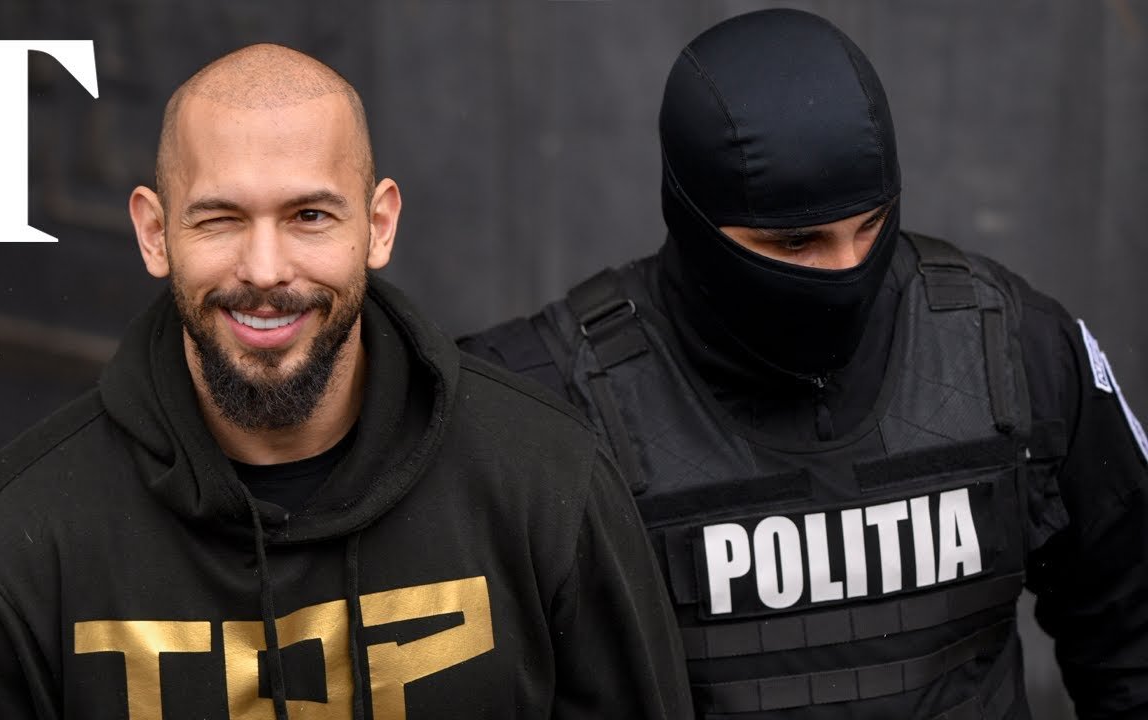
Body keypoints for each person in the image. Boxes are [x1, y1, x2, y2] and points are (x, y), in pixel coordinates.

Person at [0, 44, 692, 719]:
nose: (264, 271)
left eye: (310, 216)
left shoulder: (547, 485)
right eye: (219, 219)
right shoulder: (19, 542)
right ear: (155, 234)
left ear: (378, 224)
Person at [460, 9, 1148, 719]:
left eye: (872, 227)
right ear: (693, 220)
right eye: (797, 245)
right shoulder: (541, 402)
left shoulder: (1008, 347)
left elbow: (1136, 631)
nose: (849, 271)